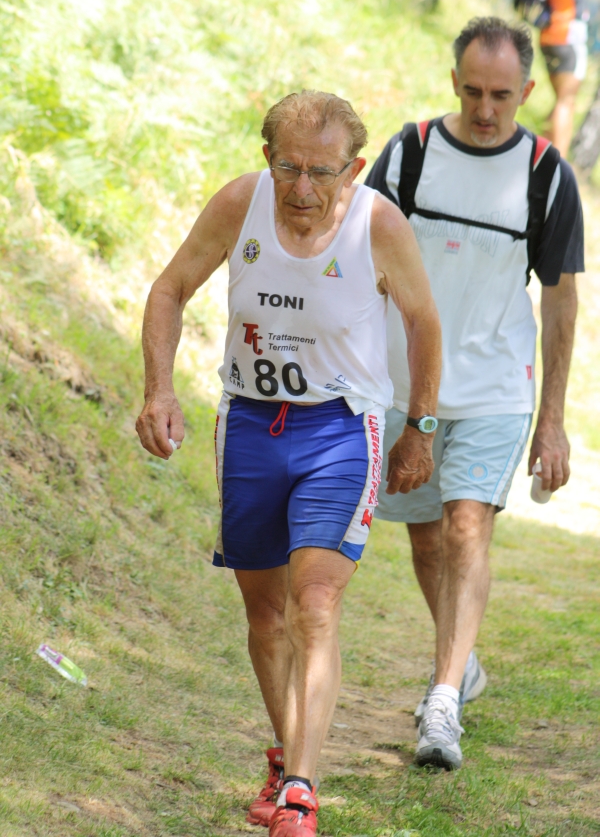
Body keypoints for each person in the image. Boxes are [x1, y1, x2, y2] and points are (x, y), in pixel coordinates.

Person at [136, 90, 442, 836]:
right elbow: (170, 290)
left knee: (315, 603)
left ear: (355, 168)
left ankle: (302, 790)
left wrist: (420, 428)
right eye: (288, 168)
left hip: (340, 431)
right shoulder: (241, 204)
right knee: (265, 614)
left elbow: (424, 320)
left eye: (322, 172)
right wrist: (159, 390)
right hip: (247, 426)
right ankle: (283, 757)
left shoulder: (376, 224)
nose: (303, 189)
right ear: (266, 157)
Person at [365, 17, 583, 771]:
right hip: (403, 379)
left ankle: (444, 700)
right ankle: (462, 661)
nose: (486, 109)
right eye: (472, 91)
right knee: (425, 537)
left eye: (501, 95)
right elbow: (359, 256)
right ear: (454, 82)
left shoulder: (547, 175)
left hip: (496, 384)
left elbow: (560, 303)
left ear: (528, 89)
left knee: (465, 528)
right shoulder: (412, 152)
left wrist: (551, 420)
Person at [536, 0, 600, 156]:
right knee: (566, 103)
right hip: (569, 36)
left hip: (547, 35)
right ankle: (558, 162)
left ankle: (542, 156)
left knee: (559, 101)